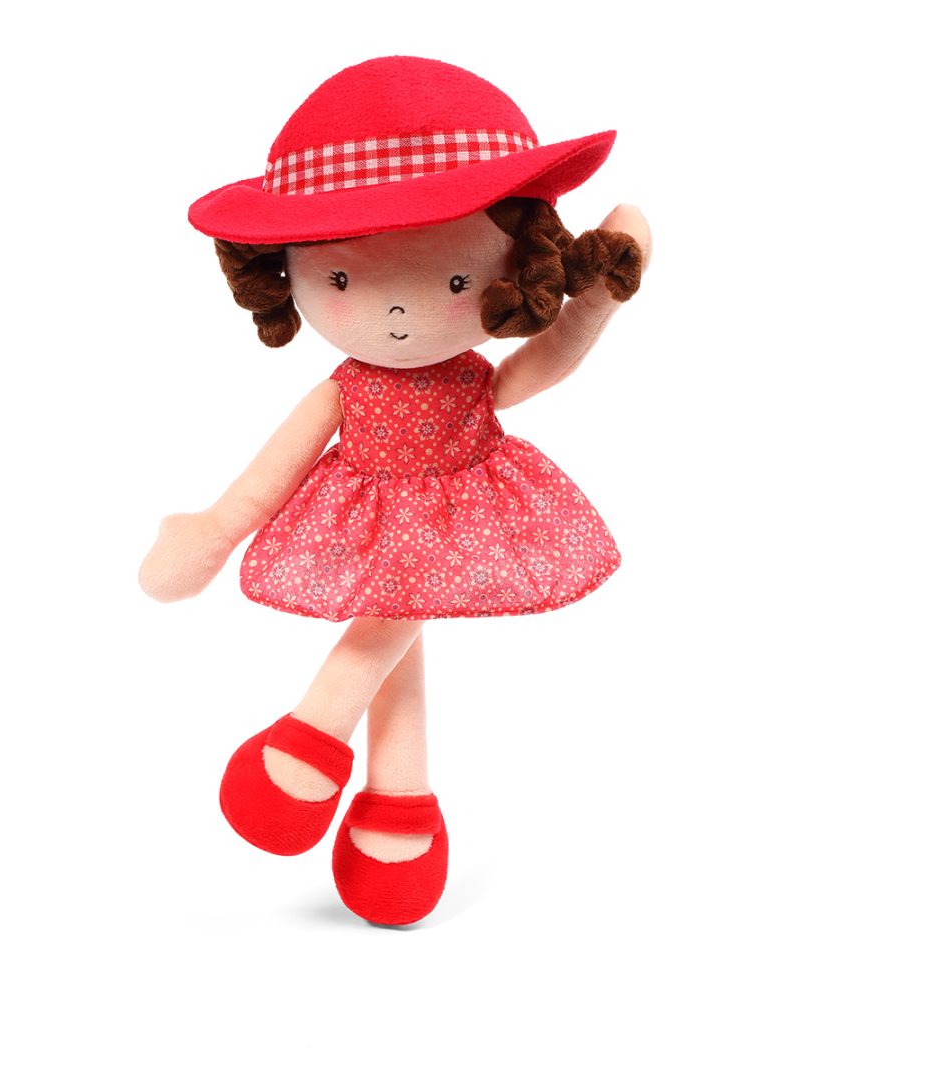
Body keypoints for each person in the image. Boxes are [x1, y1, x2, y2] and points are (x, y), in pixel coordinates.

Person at [139, 56, 651, 925]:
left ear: (514, 263)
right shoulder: (346, 387)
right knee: (402, 621)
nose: (402, 316)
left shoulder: (469, 377)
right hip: (366, 507)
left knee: (396, 612)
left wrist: (592, 307)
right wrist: (219, 527)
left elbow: (535, 368)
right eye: (341, 279)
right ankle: (398, 801)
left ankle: (315, 731)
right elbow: (278, 463)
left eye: (454, 281)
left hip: (466, 502)